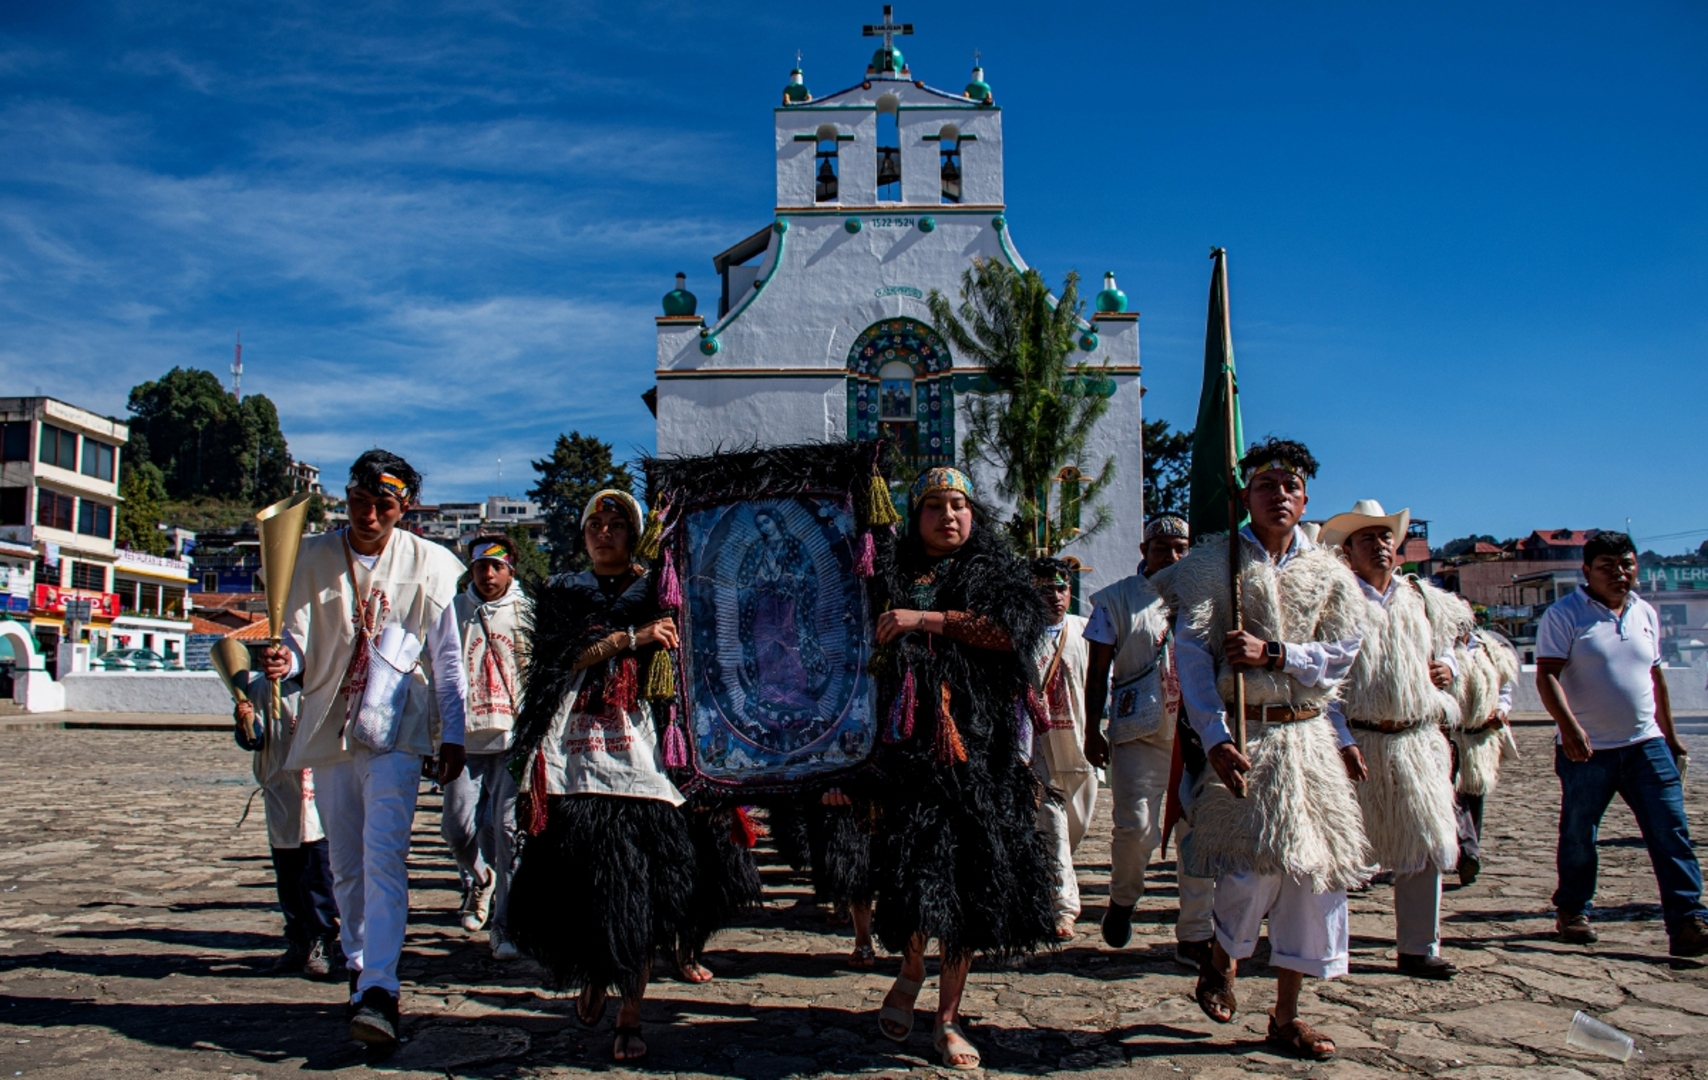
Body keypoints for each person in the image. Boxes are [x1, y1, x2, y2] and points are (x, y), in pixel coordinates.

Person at [505, 489, 755, 1063]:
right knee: (583, 887)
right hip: (576, 759)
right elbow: (555, 659)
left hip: (646, 760)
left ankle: (631, 1011)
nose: (604, 531)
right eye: (596, 522)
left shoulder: (662, 591)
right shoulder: (564, 592)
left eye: (617, 523)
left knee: (641, 892)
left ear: (635, 534)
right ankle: (596, 970)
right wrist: (629, 640)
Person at [1154, 438, 1371, 1061]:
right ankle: (1222, 957)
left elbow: (1342, 653)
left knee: (1313, 877)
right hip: (1249, 736)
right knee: (1249, 871)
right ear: (1244, 496)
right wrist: (1216, 737)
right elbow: (1194, 657)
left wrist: (1275, 654)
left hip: (1308, 738)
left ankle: (1286, 1016)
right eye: (1266, 485)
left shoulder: (1329, 572)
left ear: (1306, 498)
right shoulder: (1213, 564)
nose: (1279, 495)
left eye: (1290, 486)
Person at [268, 450, 470, 1051]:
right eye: (359, 501)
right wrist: (286, 660)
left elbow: (447, 660)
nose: (369, 515)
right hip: (331, 729)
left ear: (405, 507)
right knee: (346, 864)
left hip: (397, 730)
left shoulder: (431, 564)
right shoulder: (308, 557)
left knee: (384, 856)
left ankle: (381, 987)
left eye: (384, 505)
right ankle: (359, 967)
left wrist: (453, 733)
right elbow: (298, 642)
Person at [869, 466, 1055, 1071]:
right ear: (915, 515)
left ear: (973, 514)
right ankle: (911, 967)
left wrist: (922, 620)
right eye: (933, 505)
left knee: (971, 881)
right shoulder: (887, 574)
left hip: (981, 753)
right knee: (913, 871)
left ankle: (947, 1016)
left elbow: (1008, 633)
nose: (947, 516)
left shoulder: (995, 573)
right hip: (907, 751)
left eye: (958, 504)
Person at [1319, 499, 1474, 980]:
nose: (1379, 545)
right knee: (1341, 848)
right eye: (1366, 538)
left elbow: (1454, 649)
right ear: (1347, 551)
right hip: (1358, 739)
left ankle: (1418, 948)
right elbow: (1323, 682)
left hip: (1416, 740)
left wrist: (1448, 668)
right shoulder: (1335, 603)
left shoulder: (1423, 600)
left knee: (1424, 844)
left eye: (1385, 536)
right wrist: (1340, 738)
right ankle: (1323, 948)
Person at [1535, 530, 1708, 956]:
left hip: (1646, 745)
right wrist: (1569, 728)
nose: (1619, 573)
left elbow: (1655, 678)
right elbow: (1547, 675)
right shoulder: (1565, 614)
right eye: (1607, 567)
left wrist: (1671, 737)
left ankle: (1687, 921)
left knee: (1671, 831)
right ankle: (1573, 910)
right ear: (1587, 571)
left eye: (1626, 564)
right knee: (1580, 835)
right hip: (1588, 750)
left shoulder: (1644, 612)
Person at [1082, 515, 1205, 963]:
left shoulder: (1209, 597)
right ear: (1143, 551)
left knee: (1199, 833)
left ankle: (1195, 932)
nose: (1172, 556)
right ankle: (1123, 897)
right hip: (1139, 731)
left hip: (1199, 733)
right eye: (1161, 548)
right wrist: (1091, 729)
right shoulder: (1115, 599)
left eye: (1180, 548)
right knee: (1136, 828)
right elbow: (1098, 673)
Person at [443, 532, 531, 960]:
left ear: (510, 570)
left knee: (508, 833)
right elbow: (438, 672)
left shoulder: (526, 613)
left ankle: (505, 925)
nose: (489, 574)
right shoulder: (453, 612)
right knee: (457, 828)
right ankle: (481, 879)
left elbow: (536, 671)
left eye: (497, 566)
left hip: (512, 737)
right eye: (481, 566)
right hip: (465, 739)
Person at [233, 666, 340, 979]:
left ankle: (322, 938)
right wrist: (245, 722)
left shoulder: (327, 679)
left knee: (318, 873)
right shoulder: (262, 689)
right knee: (288, 872)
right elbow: (254, 739)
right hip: (282, 789)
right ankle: (297, 937)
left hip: (318, 787)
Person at [1030, 556, 1097, 941]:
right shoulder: (1021, 634)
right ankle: (1064, 907)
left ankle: (1046, 880)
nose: (1054, 596)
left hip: (1080, 744)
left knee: (1076, 825)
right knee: (1052, 823)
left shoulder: (1086, 631)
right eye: (1045, 590)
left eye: (1061, 588)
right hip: (1040, 745)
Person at [1450, 625, 1519, 885]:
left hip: (1481, 738)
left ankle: (1469, 854)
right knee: (1454, 796)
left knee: (1475, 795)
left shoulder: (1490, 650)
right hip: (1452, 735)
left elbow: (1504, 689)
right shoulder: (1440, 650)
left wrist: (1501, 710)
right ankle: (1468, 851)